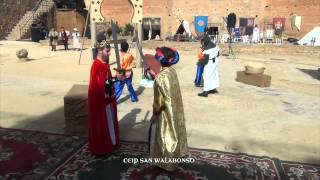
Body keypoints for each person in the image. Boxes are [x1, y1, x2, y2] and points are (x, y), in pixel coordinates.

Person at [149, 47, 189, 171]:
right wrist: (156, 76)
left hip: (165, 112)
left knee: (165, 134)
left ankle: (167, 163)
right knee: (174, 130)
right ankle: (176, 156)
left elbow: (158, 102)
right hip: (175, 109)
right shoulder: (172, 72)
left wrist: (155, 114)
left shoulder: (160, 78)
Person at [88, 38, 120, 155]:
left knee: (109, 123)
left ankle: (111, 144)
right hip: (101, 102)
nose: (109, 53)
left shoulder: (104, 65)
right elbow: (101, 86)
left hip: (107, 100)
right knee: (103, 124)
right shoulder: (97, 66)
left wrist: (116, 78)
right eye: (107, 51)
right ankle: (103, 147)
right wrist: (117, 78)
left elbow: (107, 82)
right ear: (100, 51)